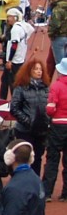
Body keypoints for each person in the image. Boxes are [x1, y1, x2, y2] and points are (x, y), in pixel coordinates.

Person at [3, 7, 36, 100]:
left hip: (15, 60)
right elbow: (31, 30)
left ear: (15, 17)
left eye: (9, 16)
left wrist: (9, 60)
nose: (7, 19)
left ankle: (15, 101)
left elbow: (14, 45)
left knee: (13, 83)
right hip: (20, 58)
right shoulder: (22, 26)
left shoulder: (15, 29)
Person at [47, 57, 67, 200]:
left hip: (57, 125)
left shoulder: (56, 86)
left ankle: (47, 191)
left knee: (52, 159)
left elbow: (50, 108)